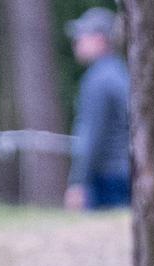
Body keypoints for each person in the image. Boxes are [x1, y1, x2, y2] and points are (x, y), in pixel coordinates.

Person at [63, 7, 130, 212]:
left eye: (82, 35)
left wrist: (77, 183)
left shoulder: (97, 80)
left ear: (100, 40)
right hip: (125, 174)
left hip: (106, 180)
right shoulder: (119, 72)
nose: (77, 42)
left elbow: (91, 137)